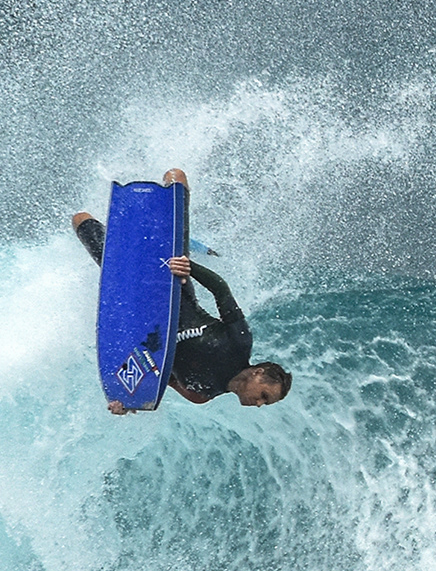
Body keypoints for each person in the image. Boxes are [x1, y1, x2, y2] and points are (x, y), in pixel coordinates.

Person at [73, 169, 292, 415]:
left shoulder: (200, 395)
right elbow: (220, 289)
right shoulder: (239, 343)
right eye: (264, 395)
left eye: (265, 402)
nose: (260, 403)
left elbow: (156, 376)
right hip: (172, 285)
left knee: (80, 220)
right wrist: (189, 265)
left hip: (140, 311)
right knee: (176, 175)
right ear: (258, 372)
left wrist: (127, 401)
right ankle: (146, 181)